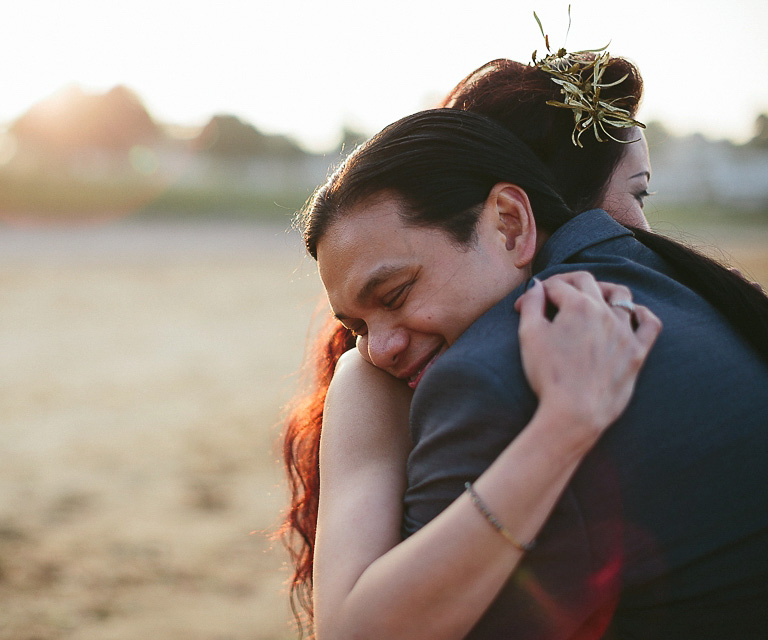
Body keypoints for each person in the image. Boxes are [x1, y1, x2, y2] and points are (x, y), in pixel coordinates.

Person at [295, 104, 768, 639]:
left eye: (397, 293)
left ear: (510, 223)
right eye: (355, 324)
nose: (378, 349)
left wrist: (560, 430)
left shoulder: (490, 377)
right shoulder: (682, 287)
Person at [280, 53, 656, 632]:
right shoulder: (372, 381)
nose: (636, 234)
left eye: (643, 195)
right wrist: (563, 429)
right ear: (510, 221)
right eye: (637, 194)